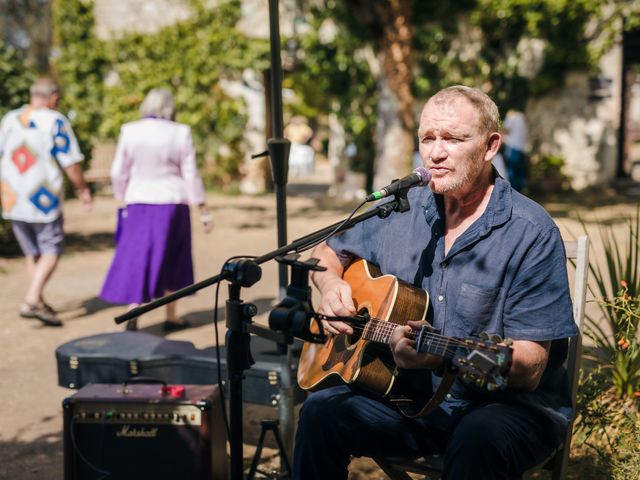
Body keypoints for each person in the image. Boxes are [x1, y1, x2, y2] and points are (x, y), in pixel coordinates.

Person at [293, 86, 577, 479]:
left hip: (507, 410)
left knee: (477, 438)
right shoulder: (399, 210)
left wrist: (443, 355)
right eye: (428, 138)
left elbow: (528, 367)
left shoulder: (530, 232)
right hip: (413, 400)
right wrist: (329, 288)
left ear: (490, 145)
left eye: (454, 139)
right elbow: (327, 253)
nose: (436, 152)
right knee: (321, 412)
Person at [99, 88, 212, 332]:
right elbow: (190, 173)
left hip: (138, 200)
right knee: (174, 257)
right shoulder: (180, 132)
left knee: (139, 255)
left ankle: (134, 308)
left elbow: (118, 170)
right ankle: (171, 316)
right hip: (173, 201)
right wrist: (203, 209)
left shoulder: (130, 130)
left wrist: (122, 196)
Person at [0, 77, 92, 327]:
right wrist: (82, 189)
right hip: (42, 199)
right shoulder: (54, 120)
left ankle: (38, 301)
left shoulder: (9, 119)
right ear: (52, 97)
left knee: (33, 253)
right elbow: (70, 160)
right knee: (51, 250)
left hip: (12, 197)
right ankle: (31, 300)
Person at [503, 109, 529, 191]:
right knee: (520, 174)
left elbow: (505, 131)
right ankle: (520, 194)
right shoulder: (522, 120)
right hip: (522, 150)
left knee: (512, 173)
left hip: (513, 148)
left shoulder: (512, 118)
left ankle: (512, 192)